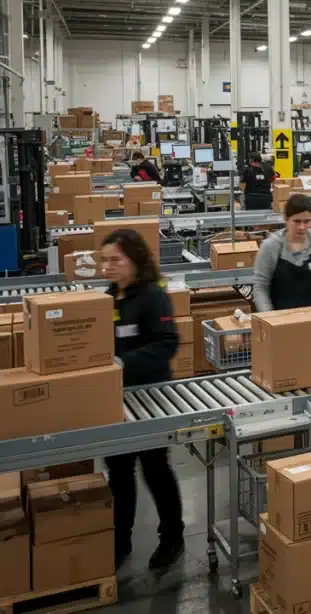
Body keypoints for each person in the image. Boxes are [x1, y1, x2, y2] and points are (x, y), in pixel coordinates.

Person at [99, 229, 184, 572]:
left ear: (135, 260)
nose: (107, 267)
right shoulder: (107, 299)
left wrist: (123, 362)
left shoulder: (152, 297)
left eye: (115, 260)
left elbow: (167, 343)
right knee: (118, 474)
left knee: (155, 469)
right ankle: (120, 541)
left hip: (150, 396)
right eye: (103, 260)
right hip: (114, 400)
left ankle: (172, 538)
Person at [252, 194, 311, 311]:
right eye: (297, 221)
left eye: (307, 221)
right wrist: (269, 318)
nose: (302, 227)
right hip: (281, 321)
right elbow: (260, 287)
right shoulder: (270, 247)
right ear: (286, 218)